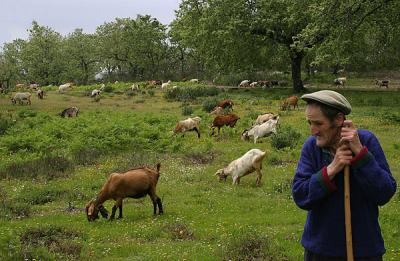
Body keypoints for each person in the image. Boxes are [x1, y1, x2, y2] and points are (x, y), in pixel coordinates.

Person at [292, 90, 397, 260]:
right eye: (309, 123)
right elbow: (300, 195)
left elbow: (384, 192)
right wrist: (332, 169)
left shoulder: (366, 141)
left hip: (364, 251)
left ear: (339, 119)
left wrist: (360, 155)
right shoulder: (312, 147)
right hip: (320, 250)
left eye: (318, 123)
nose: (313, 131)